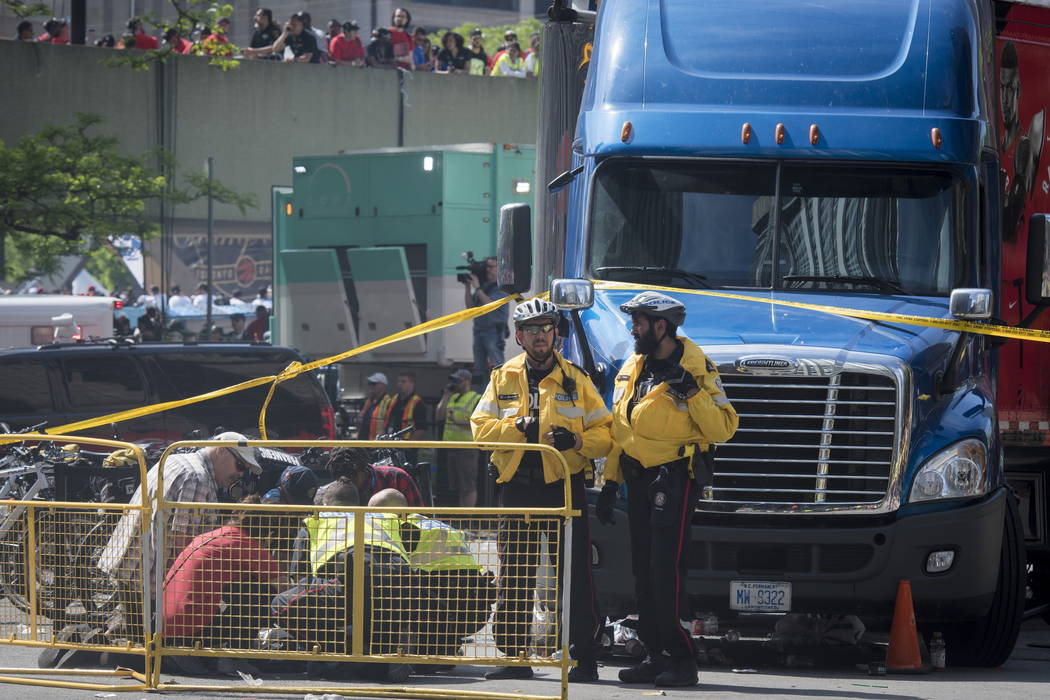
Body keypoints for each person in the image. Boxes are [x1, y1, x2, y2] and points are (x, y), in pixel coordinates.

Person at [597, 291, 738, 688]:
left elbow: (723, 429)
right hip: (636, 478)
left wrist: (691, 392)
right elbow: (620, 430)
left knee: (666, 571)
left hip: (673, 477)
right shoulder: (635, 365)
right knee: (642, 571)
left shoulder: (698, 367)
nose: (632, 328)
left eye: (638, 322)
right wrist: (610, 482)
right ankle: (654, 654)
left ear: (661, 326)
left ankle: (682, 658)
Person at [470, 298, 611, 683]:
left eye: (546, 329)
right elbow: (480, 430)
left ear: (556, 335)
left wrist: (577, 441)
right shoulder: (503, 377)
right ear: (519, 337)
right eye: (531, 330)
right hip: (517, 488)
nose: (539, 336)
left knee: (575, 576)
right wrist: (519, 427)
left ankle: (584, 658)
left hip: (565, 488)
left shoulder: (577, 380)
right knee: (515, 574)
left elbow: (606, 434)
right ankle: (515, 657)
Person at [98, 432, 263, 641]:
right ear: (221, 451)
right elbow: (184, 543)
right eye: (240, 465)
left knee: (136, 635)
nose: (240, 474)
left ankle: (97, 644)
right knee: (148, 646)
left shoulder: (176, 460)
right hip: (150, 575)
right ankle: (94, 648)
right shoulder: (198, 478)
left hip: (133, 566)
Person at [163, 495, 284, 674]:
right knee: (261, 592)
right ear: (268, 531)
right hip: (189, 627)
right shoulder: (246, 544)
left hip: (166, 626)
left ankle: (196, 650)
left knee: (245, 586)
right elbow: (284, 590)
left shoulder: (214, 535)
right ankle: (235, 657)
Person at [318, 446, 423, 508]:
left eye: (353, 478)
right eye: (341, 480)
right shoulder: (331, 493)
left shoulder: (397, 478)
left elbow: (419, 517)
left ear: (363, 468)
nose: (349, 484)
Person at [435, 369, 481, 506]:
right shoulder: (453, 397)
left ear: (467, 382)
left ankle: (467, 518)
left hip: (467, 448)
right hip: (451, 447)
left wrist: (457, 421)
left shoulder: (476, 398)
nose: (454, 383)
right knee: (459, 486)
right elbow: (439, 416)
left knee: (468, 485)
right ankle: (461, 515)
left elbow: (478, 423)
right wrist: (445, 397)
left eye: (458, 381)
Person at [464, 256, 509, 381]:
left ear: (499, 268)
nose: (488, 270)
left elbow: (490, 305)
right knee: (479, 369)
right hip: (479, 331)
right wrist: (468, 287)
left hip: (493, 332)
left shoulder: (501, 287)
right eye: (486, 267)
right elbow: (470, 307)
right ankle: (482, 395)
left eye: (491, 267)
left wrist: (477, 288)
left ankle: (500, 392)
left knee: (496, 365)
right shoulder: (484, 287)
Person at [357, 372, 393, 440]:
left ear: (383, 385)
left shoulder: (388, 402)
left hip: (377, 443)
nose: (371, 386)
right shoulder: (369, 401)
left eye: (373, 384)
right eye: (369, 384)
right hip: (364, 441)